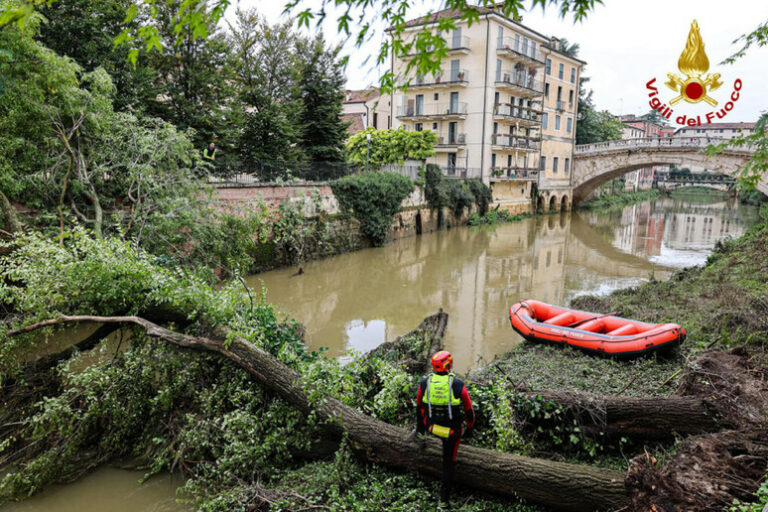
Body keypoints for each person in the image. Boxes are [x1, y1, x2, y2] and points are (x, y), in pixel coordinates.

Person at [414, 350, 475, 504]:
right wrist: (469, 429)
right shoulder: (458, 384)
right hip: (451, 433)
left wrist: (421, 429)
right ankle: (443, 501)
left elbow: (419, 406)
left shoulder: (424, 382)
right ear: (448, 365)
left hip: (432, 428)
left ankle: (420, 435)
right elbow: (469, 412)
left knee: (424, 418)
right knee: (448, 463)